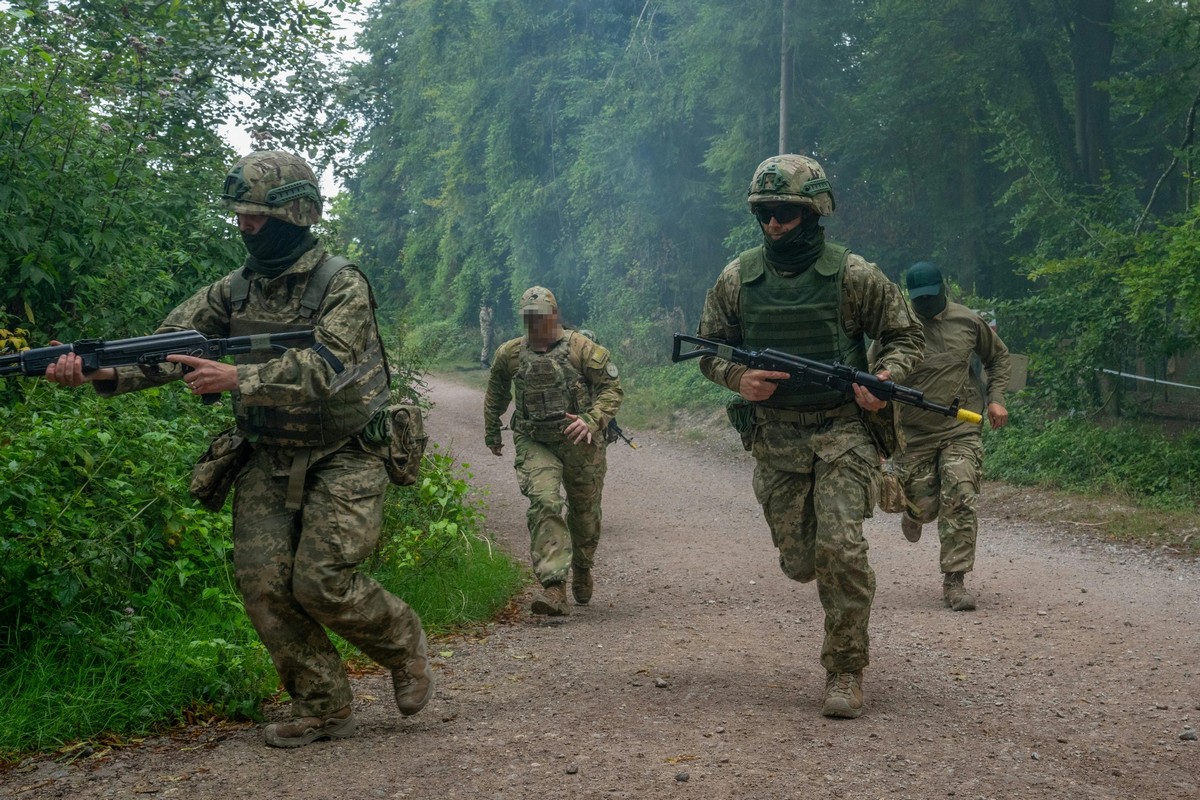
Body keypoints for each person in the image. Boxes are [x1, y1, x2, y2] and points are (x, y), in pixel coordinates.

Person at [43, 150, 433, 748]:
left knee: (323, 582)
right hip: (268, 452)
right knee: (264, 586)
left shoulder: (342, 282)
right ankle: (323, 707)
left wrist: (240, 379)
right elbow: (164, 348)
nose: (245, 226)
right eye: (240, 216)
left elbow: (327, 364)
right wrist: (99, 371)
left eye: (254, 215)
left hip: (347, 450)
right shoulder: (234, 290)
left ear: (296, 213)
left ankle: (402, 641)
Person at [695, 154, 924, 719]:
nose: (773, 223)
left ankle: (844, 669)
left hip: (844, 429)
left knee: (841, 547)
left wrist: (885, 379)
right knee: (801, 561)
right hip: (777, 437)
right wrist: (736, 377)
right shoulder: (737, 278)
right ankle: (834, 575)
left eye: (785, 212)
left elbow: (904, 337)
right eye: (765, 212)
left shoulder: (854, 275)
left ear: (814, 211)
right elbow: (709, 348)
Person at [483, 287, 623, 616]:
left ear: (554, 315)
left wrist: (592, 420)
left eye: (541, 317)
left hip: (581, 442)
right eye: (529, 318)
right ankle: (554, 585)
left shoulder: (581, 348)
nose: (535, 325)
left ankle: (583, 567)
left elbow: (611, 389)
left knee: (584, 514)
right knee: (544, 502)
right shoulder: (511, 353)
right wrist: (492, 430)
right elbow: (496, 391)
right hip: (535, 439)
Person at [889, 261, 1011, 611]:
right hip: (914, 434)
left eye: (930, 297)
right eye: (918, 299)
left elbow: (999, 358)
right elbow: (874, 382)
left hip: (961, 426)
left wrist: (996, 398)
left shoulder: (968, 321)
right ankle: (914, 514)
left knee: (960, 492)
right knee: (925, 506)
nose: (925, 305)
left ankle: (954, 582)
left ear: (943, 288)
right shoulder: (897, 328)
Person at [479, 302, 495, 368]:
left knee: (489, 346)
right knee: (486, 346)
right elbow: (489, 321)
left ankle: (486, 361)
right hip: (486, 332)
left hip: (489, 331)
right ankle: (483, 361)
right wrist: (491, 313)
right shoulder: (483, 312)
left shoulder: (485, 312)